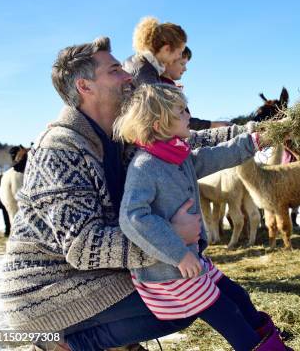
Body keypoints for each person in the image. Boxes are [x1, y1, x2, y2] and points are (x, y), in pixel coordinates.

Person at [0, 37, 264, 351]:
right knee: (180, 298)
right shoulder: (59, 149)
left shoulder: (121, 136)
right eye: (115, 70)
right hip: (47, 293)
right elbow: (84, 246)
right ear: (85, 86)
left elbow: (188, 142)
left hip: (94, 276)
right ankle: (65, 345)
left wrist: (259, 133)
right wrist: (170, 237)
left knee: (189, 287)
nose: (128, 76)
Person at [114, 84, 290, 350]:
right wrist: (178, 253)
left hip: (191, 263)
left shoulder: (176, 155)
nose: (189, 115)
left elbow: (215, 156)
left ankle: (272, 342)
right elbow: (132, 218)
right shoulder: (146, 166)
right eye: (182, 111)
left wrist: (255, 141)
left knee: (239, 298)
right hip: (170, 274)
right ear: (162, 122)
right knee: (229, 316)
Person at [124, 17, 229, 130]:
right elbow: (168, 116)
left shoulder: (140, 64)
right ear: (167, 49)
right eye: (179, 52)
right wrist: (211, 125)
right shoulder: (145, 72)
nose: (179, 57)